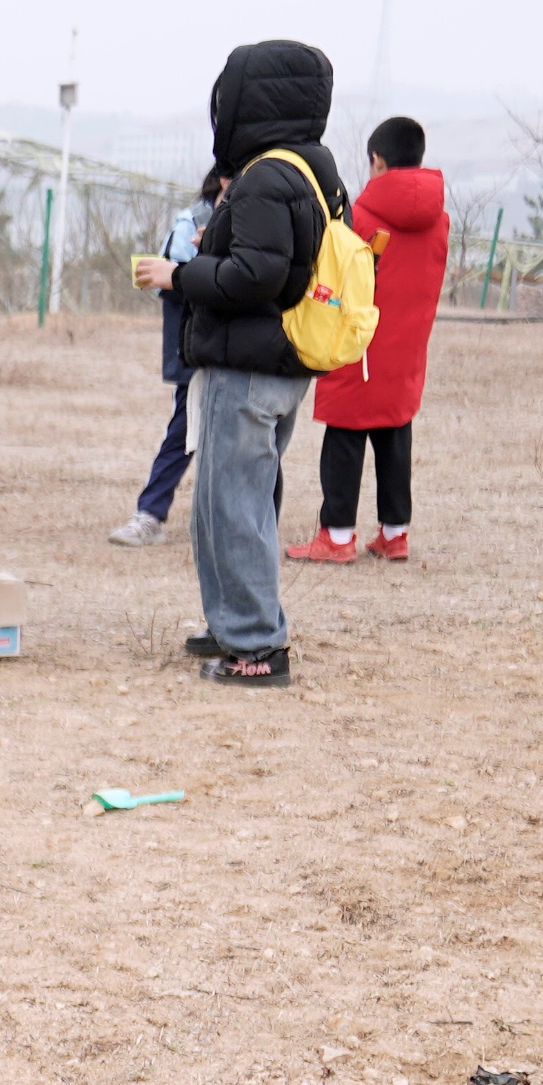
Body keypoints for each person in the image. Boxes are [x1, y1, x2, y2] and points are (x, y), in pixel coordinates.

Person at [132, 40, 345, 688]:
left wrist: (181, 272)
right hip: (281, 362)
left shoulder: (263, 178)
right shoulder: (314, 169)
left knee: (232, 505)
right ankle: (233, 623)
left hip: (248, 364)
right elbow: (281, 262)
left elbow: (256, 276)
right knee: (235, 501)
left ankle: (255, 645)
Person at [290, 117, 448, 565]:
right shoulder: (440, 220)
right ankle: (395, 534)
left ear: (377, 160)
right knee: (395, 430)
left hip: (358, 344)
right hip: (408, 346)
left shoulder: (358, 217)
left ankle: (338, 536)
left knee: (345, 432)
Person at [106, 174, 220, 547]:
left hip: (243, 351)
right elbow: (169, 282)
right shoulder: (192, 221)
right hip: (200, 349)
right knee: (184, 433)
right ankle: (150, 515)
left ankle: (242, 523)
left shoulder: (259, 214)